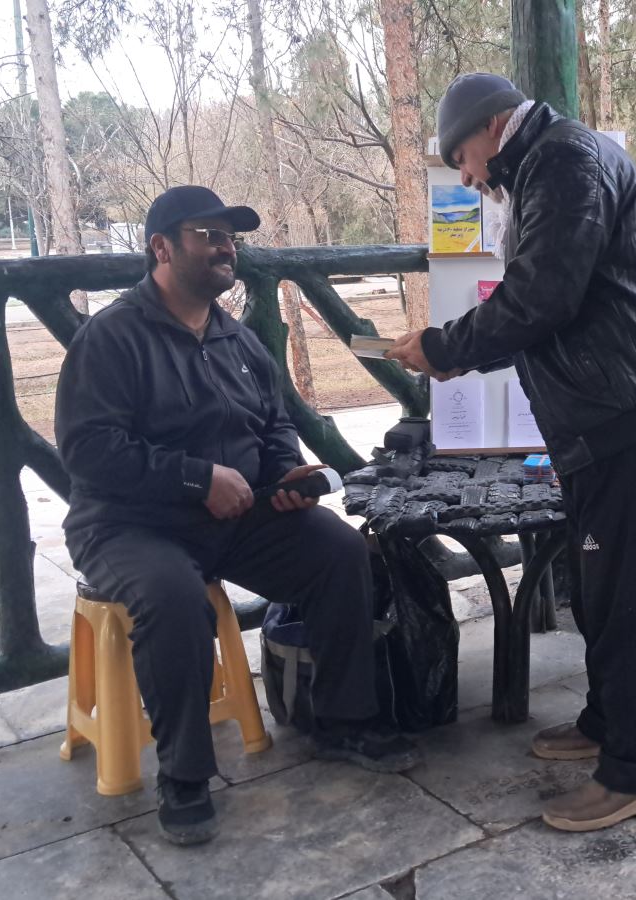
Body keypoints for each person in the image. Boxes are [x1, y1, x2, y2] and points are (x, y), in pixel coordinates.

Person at [387, 74, 636, 833]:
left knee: (629, 596)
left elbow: (543, 297)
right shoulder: (547, 164)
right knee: (598, 583)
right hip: (610, 412)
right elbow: (553, 302)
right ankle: (607, 721)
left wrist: (445, 347)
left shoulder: (565, 160)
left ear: (490, 127)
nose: (467, 176)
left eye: (462, 157)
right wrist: (455, 354)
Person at [55, 185, 419, 847]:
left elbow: (273, 424)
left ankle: (343, 720)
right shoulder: (111, 337)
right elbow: (89, 451)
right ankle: (184, 775)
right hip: (129, 525)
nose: (226, 249)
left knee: (338, 550)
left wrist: (285, 477)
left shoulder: (238, 340)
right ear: (161, 248)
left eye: (231, 238)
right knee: (172, 595)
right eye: (208, 235)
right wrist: (196, 479)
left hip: (239, 517)